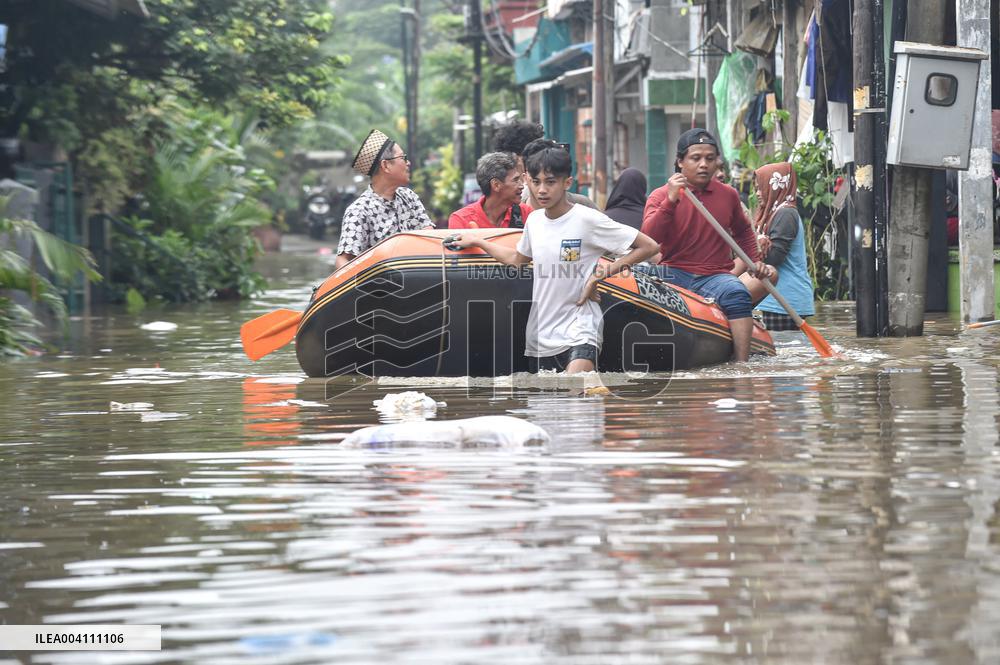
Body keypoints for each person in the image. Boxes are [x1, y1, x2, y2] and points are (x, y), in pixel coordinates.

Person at [448, 145, 659, 373]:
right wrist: (479, 241)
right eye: (535, 182)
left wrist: (597, 277)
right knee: (552, 396)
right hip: (541, 334)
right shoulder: (534, 221)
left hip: (581, 327)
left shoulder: (587, 219)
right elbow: (517, 260)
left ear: (567, 183)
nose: (542, 190)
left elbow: (648, 247)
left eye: (550, 182)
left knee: (576, 390)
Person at [641, 128, 773, 362]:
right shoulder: (660, 195)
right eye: (696, 158)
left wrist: (754, 261)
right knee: (633, 278)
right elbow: (649, 238)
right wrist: (670, 201)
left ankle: (741, 365)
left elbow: (743, 231)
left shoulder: (728, 195)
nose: (704, 164)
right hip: (672, 272)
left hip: (715, 276)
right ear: (680, 162)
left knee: (737, 293)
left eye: (710, 159)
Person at [335, 129, 434, 269]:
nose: (408, 163)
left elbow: (429, 235)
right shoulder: (359, 211)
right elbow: (343, 260)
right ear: (386, 165)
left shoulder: (409, 197)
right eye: (403, 158)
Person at [736, 163, 814, 331]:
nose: (758, 193)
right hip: (774, 298)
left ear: (775, 185)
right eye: (756, 189)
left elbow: (774, 258)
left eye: (761, 188)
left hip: (784, 300)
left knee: (784, 346)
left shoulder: (786, 214)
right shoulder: (770, 214)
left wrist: (754, 241)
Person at [448, 152, 532, 229]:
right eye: (515, 180)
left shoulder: (526, 213)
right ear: (496, 185)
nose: (522, 186)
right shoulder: (461, 220)